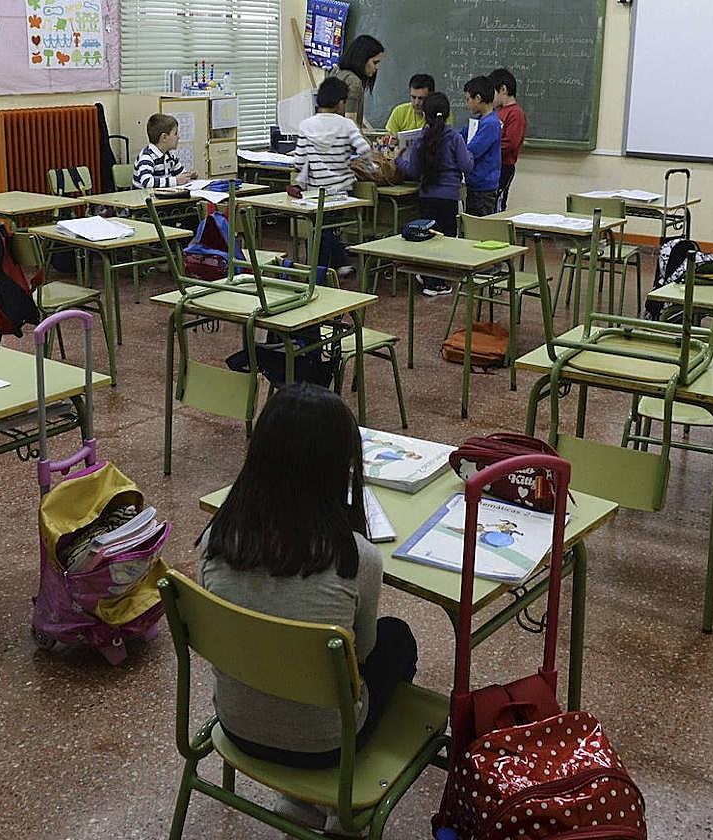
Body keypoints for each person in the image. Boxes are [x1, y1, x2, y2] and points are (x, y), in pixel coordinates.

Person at [198, 382, 418, 832]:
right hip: (329, 747)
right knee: (397, 639)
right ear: (340, 466)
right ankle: (344, 809)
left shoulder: (213, 541)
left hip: (234, 725)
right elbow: (362, 654)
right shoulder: (356, 557)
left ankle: (297, 799)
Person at [292, 76, 372, 275]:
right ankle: (320, 270)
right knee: (328, 229)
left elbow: (299, 162)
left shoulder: (306, 125)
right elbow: (364, 148)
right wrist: (371, 166)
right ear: (339, 103)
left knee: (323, 228)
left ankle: (335, 264)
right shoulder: (346, 125)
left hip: (315, 193)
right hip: (341, 190)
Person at [396, 92, 473, 296]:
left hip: (427, 196)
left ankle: (429, 278)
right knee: (446, 239)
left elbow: (413, 171)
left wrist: (397, 159)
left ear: (425, 116)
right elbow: (467, 165)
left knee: (428, 239)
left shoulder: (421, 140)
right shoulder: (455, 138)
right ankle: (439, 282)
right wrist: (469, 155)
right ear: (447, 115)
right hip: (448, 197)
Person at [461, 76, 502, 218]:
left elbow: (472, 150)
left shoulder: (491, 124)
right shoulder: (478, 120)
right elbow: (460, 137)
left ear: (478, 98)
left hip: (483, 188)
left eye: (468, 99)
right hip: (474, 184)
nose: (467, 104)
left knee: (479, 227)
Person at [328, 34, 385, 129]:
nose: (377, 67)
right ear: (362, 59)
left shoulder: (336, 73)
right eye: (375, 62)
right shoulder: (354, 82)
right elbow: (351, 125)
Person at [489, 68, 527, 211]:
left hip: (504, 167)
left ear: (503, 89)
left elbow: (510, 144)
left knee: (498, 203)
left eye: (492, 92)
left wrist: (490, 150)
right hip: (493, 166)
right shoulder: (498, 112)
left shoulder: (516, 113)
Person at [132, 113, 197, 189]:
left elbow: (181, 175)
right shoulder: (146, 157)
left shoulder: (170, 156)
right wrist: (176, 181)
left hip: (162, 198)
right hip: (144, 199)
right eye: (175, 134)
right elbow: (147, 182)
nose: (178, 137)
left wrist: (188, 176)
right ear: (164, 137)